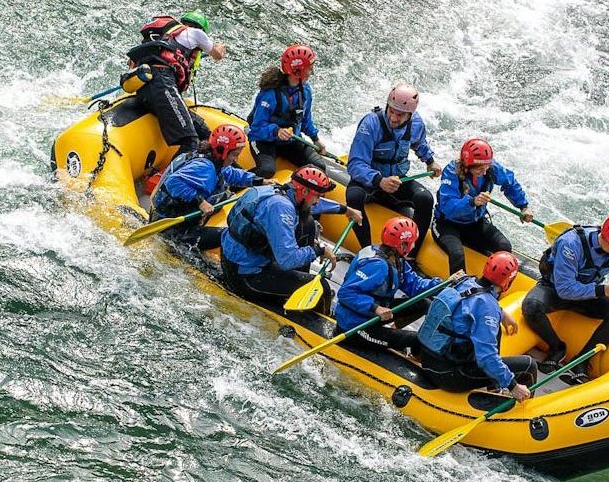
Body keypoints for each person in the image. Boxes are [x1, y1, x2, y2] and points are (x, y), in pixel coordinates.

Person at [220, 165, 364, 309]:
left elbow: (312, 206)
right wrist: (319, 250)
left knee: (308, 225)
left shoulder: (281, 191)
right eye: (318, 196)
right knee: (322, 288)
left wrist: (345, 210)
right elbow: (287, 261)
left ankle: (297, 283)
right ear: (304, 191)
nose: (318, 201)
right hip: (246, 276)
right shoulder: (280, 208)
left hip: (241, 260)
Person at [520, 212, 609, 384]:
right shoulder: (571, 244)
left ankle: (582, 362)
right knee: (531, 306)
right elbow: (565, 289)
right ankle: (556, 347)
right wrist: (604, 290)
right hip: (555, 289)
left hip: (588, 291)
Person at [417, 251, 538, 399]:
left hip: (429, 358)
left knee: (495, 331)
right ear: (508, 281)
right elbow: (486, 357)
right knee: (529, 366)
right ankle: (523, 410)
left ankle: (493, 387)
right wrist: (513, 385)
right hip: (448, 374)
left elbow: (472, 303)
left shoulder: (465, 281)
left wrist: (501, 314)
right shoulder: (488, 307)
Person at [334, 218, 456, 350]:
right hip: (354, 327)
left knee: (424, 303)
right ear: (402, 245)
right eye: (412, 243)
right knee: (417, 341)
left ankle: (393, 332)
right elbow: (346, 293)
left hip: (372, 316)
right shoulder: (378, 266)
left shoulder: (397, 261)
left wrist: (444, 283)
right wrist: (376, 308)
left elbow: (416, 286)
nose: (414, 246)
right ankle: (396, 341)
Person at [346, 84, 437, 252]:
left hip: (397, 181)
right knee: (353, 196)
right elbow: (355, 163)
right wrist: (379, 180)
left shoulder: (416, 123)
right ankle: (368, 252)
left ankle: (410, 256)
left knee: (426, 199)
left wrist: (430, 161)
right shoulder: (370, 124)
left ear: (410, 114)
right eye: (391, 111)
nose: (393, 118)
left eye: (400, 114)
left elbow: (419, 143)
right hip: (370, 182)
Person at [123, 12, 228, 156]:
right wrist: (220, 46)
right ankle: (172, 179)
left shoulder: (160, 39)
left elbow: (131, 65)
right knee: (190, 142)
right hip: (162, 83)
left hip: (147, 86)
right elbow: (217, 55)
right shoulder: (196, 33)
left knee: (204, 132)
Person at [150, 125, 262, 250]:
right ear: (222, 151)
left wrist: (259, 181)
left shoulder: (211, 158)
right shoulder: (205, 168)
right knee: (229, 235)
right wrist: (200, 202)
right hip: (172, 228)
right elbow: (173, 182)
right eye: (234, 155)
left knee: (223, 195)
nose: (236, 159)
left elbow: (231, 173)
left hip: (168, 213)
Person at [432, 138, 533, 275]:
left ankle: (492, 286)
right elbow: (447, 207)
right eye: (480, 169)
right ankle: (460, 289)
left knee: (504, 247)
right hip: (447, 224)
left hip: (474, 223)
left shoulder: (490, 167)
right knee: (457, 255)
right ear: (467, 166)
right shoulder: (451, 172)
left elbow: (510, 182)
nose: (484, 172)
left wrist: (523, 206)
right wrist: (472, 202)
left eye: (486, 167)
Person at [246, 44, 320, 178]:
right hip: (263, 140)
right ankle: (233, 185)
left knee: (319, 167)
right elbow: (256, 127)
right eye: (309, 69)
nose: (311, 73)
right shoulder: (269, 94)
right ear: (298, 72)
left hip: (289, 141)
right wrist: (276, 131)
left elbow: (305, 119)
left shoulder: (306, 91)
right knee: (266, 170)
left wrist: (315, 139)